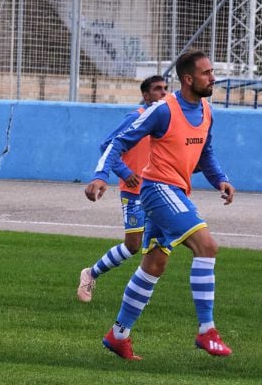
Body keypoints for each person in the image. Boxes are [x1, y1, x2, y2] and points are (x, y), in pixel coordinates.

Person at [99, 50, 236, 360]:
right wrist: (100, 175)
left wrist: (220, 179)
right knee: (207, 246)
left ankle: (118, 335)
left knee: (154, 265)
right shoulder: (163, 111)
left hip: (177, 191)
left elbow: (206, 153)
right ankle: (207, 331)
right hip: (157, 189)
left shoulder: (207, 111)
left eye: (212, 72)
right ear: (188, 79)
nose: (213, 78)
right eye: (206, 73)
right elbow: (118, 141)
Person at [77, 75, 168, 302]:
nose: (163, 93)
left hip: (155, 190)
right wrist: (125, 173)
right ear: (146, 95)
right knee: (133, 245)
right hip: (134, 191)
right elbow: (107, 145)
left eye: (165, 89)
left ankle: (139, 295)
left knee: (159, 242)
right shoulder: (135, 117)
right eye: (157, 89)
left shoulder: (163, 119)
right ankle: (90, 273)